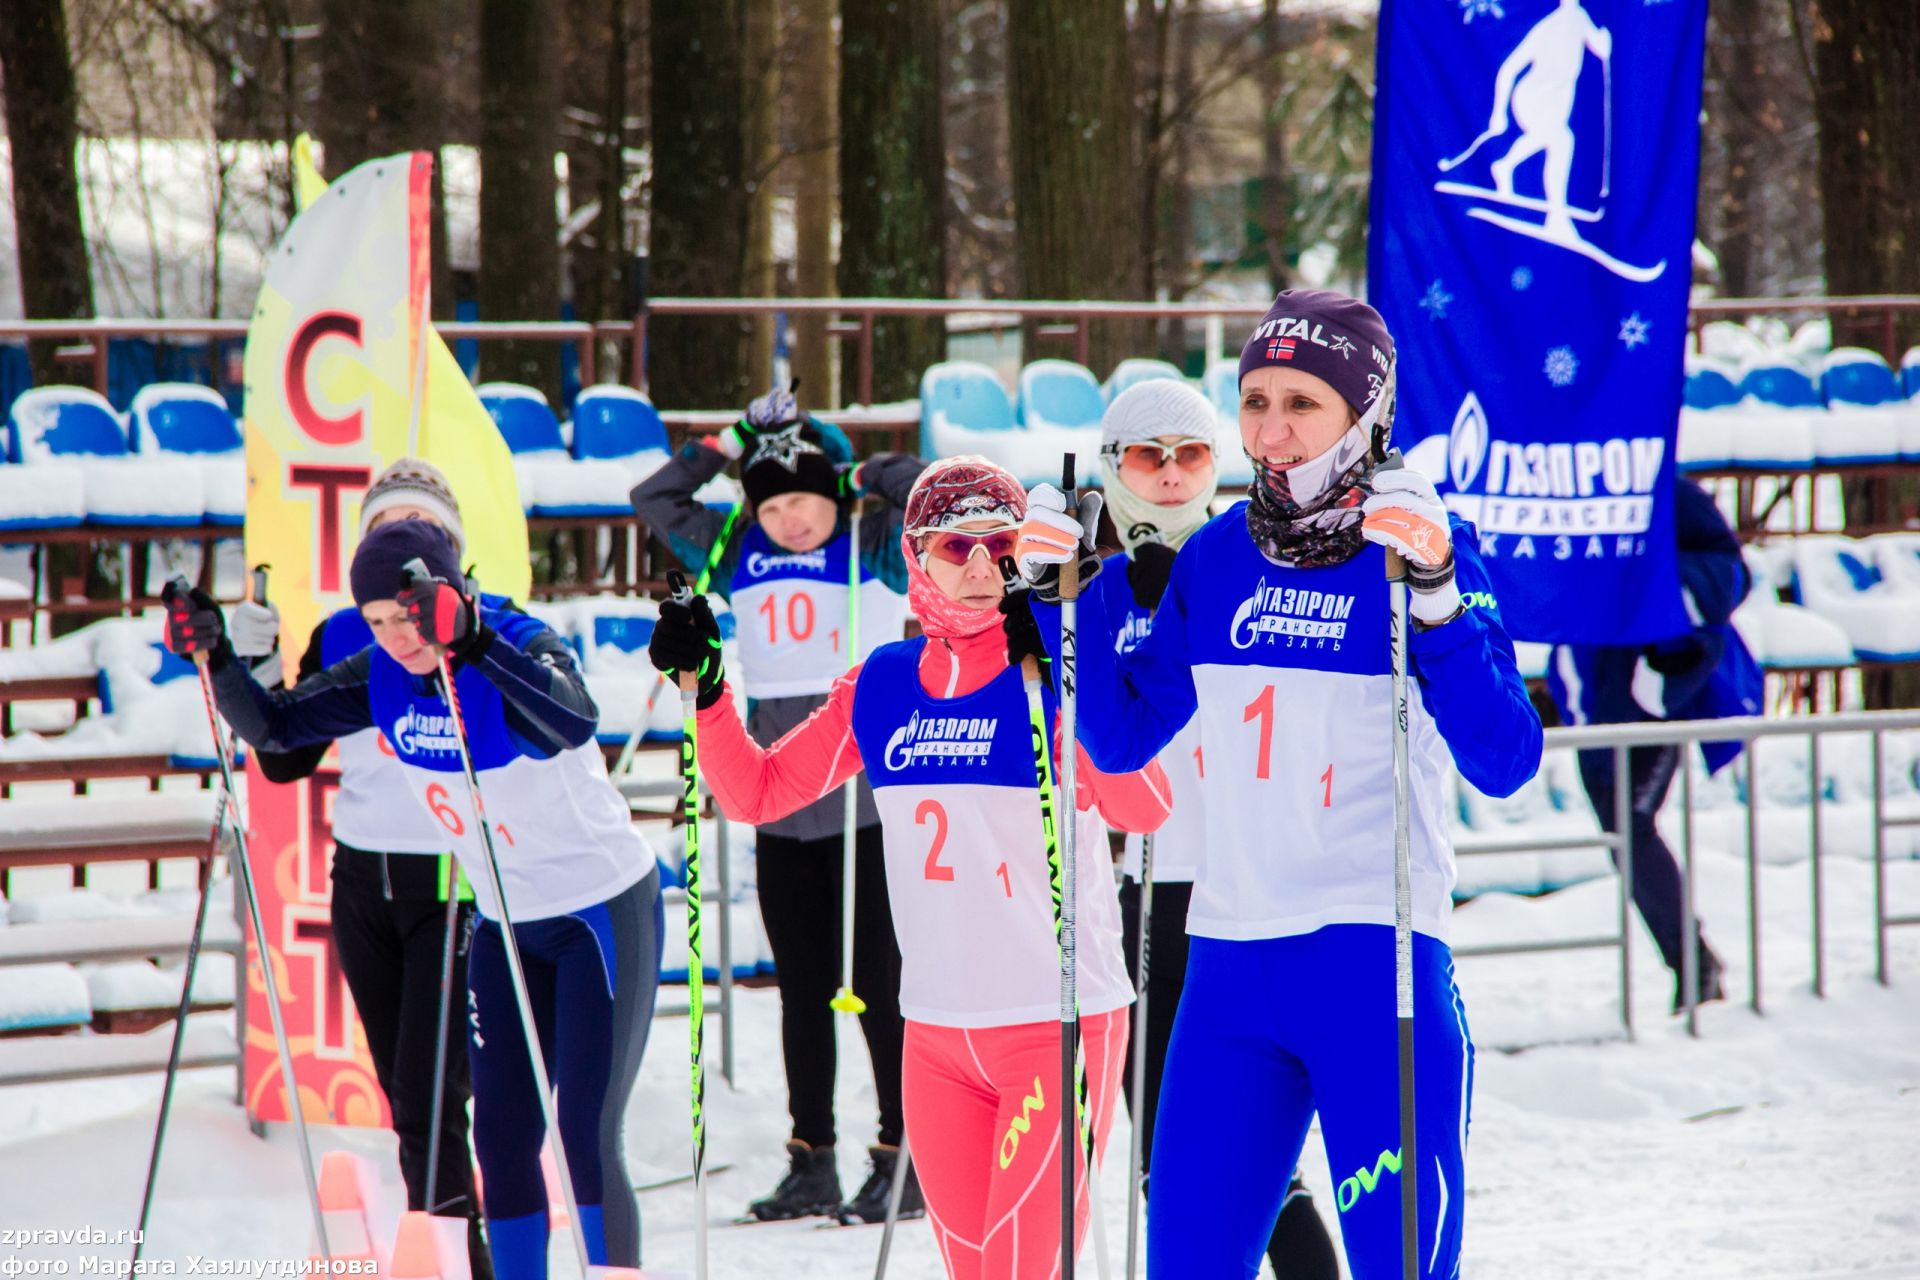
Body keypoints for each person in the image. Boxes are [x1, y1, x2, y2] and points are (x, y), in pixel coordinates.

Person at [1006, 289, 1543, 1278]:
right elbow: (1123, 739)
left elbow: (1506, 757)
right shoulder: (1215, 558)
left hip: (1373, 965)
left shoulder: (1419, 544)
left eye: (1304, 401)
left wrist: (1437, 599)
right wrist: (1057, 599)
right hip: (1228, 968)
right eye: (1255, 399)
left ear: (1365, 413)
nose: (1272, 427)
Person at [646, 455, 1171, 1279]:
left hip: (1055, 1020)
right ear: (915, 555)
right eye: (953, 548)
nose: (979, 567)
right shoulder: (883, 683)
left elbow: (1147, 808)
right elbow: (758, 792)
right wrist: (709, 692)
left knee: (1020, 1268)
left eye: (1000, 547)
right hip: (933, 1035)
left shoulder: (1049, 667)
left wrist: (1078, 658)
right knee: (974, 1269)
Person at [163, 520, 662, 1280]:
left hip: (598, 911)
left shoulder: (517, 639)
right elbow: (276, 726)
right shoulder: (384, 672)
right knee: (498, 1137)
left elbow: (573, 720)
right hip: (504, 926)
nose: (399, 636)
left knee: (586, 1135)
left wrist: (476, 645)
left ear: (452, 592)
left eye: (410, 613)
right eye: (378, 622)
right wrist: (219, 657)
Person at [630, 386, 926, 1223]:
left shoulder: (874, 544)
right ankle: (811, 1158)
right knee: (801, 989)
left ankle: (903, 1153)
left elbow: (935, 491)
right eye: (777, 504)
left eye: (806, 502)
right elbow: (654, 499)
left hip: (866, 799)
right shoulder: (732, 550)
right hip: (778, 798)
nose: (793, 520)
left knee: (877, 983)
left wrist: (849, 457)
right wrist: (726, 442)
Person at [1090, 379, 1340, 1280]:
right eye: (1146, 456)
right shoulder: (1099, 587)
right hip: (1151, 893)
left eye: (1190, 454)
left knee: (1270, 1168)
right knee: (1174, 1159)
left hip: (1248, 891)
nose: (1168, 475)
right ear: (1113, 470)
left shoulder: (1251, 564)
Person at [226, 460, 491, 1271]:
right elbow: (285, 758)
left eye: (424, 533)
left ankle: (460, 1251)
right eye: (385, 531)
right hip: (362, 882)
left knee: (432, 1094)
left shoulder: (479, 628)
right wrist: (257, 666)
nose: (403, 550)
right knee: (404, 1089)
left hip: (449, 883)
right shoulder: (348, 630)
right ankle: (441, 1236)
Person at [1548, 474, 1757, 1013]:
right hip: (1592, 684)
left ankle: (1694, 965)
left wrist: (1665, 621)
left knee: (1628, 825)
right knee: (1620, 829)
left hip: (1653, 690)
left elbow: (1728, 572)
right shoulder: (1562, 479)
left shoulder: (1668, 485)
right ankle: (1693, 963)